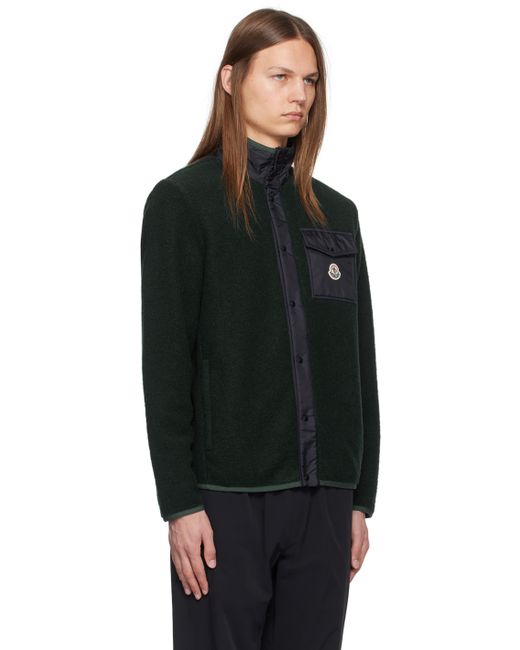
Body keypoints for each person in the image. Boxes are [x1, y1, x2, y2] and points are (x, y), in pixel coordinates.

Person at [140, 8, 381, 650]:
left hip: (325, 501)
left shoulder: (336, 213)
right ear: (230, 79)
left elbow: (358, 363)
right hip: (225, 502)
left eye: (310, 80)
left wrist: (359, 498)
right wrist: (180, 503)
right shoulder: (182, 204)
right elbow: (166, 364)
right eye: (280, 76)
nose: (299, 94)